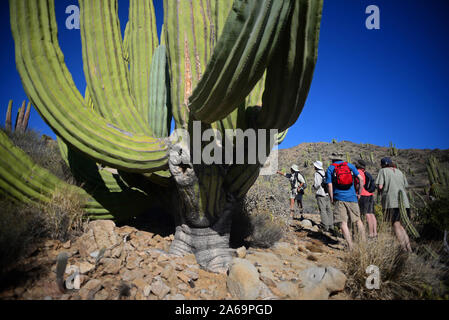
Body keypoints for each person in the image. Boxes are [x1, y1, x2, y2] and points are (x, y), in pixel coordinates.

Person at [326, 153, 366, 249]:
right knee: (358, 221)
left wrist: (331, 197)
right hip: (352, 197)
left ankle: (350, 246)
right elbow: (361, 179)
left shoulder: (331, 168)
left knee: (343, 223)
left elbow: (329, 185)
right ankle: (364, 244)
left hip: (339, 198)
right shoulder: (350, 166)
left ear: (333, 159)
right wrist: (359, 193)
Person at [375, 157, 412, 252]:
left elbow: (380, 186)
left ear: (383, 165)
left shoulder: (383, 171)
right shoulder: (400, 172)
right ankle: (409, 248)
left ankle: (403, 249)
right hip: (404, 202)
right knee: (401, 226)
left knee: (395, 224)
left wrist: (379, 192)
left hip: (391, 202)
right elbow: (405, 185)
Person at [355, 160, 378, 239]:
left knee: (367, 214)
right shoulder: (365, 172)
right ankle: (375, 233)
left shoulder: (358, 172)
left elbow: (360, 183)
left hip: (363, 195)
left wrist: (358, 192)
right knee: (371, 214)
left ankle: (370, 234)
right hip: (370, 195)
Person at [312, 160, 333, 232]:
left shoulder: (317, 174)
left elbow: (317, 184)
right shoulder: (324, 172)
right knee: (329, 210)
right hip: (327, 193)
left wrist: (314, 187)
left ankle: (325, 226)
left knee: (323, 210)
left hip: (320, 194)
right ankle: (331, 225)